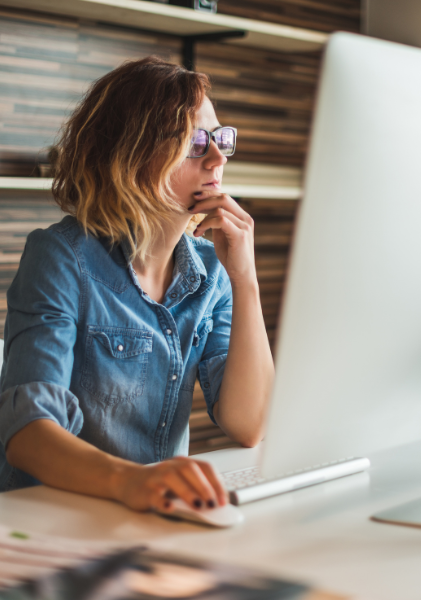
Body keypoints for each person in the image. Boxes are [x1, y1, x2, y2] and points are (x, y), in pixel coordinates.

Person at [0, 57, 274, 514]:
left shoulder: (213, 271)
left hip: (154, 515)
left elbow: (249, 425)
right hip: (56, 519)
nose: (217, 158)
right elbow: (27, 431)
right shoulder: (60, 257)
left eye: (219, 139)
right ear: (129, 154)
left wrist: (244, 279)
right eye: (194, 143)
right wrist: (133, 482)